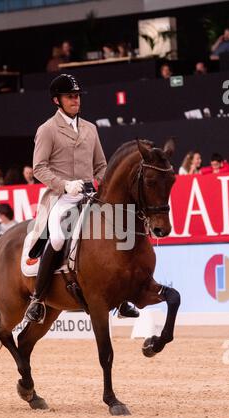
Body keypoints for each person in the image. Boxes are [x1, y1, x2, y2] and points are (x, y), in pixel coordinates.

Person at [23, 73, 140, 324]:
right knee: (56, 237)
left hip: (90, 194)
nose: (75, 100)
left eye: (77, 96)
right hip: (61, 197)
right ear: (57, 100)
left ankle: (123, 296)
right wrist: (65, 185)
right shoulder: (47, 130)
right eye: (70, 96)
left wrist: (103, 183)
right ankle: (38, 298)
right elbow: (39, 168)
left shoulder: (90, 128)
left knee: (123, 227)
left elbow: (101, 165)